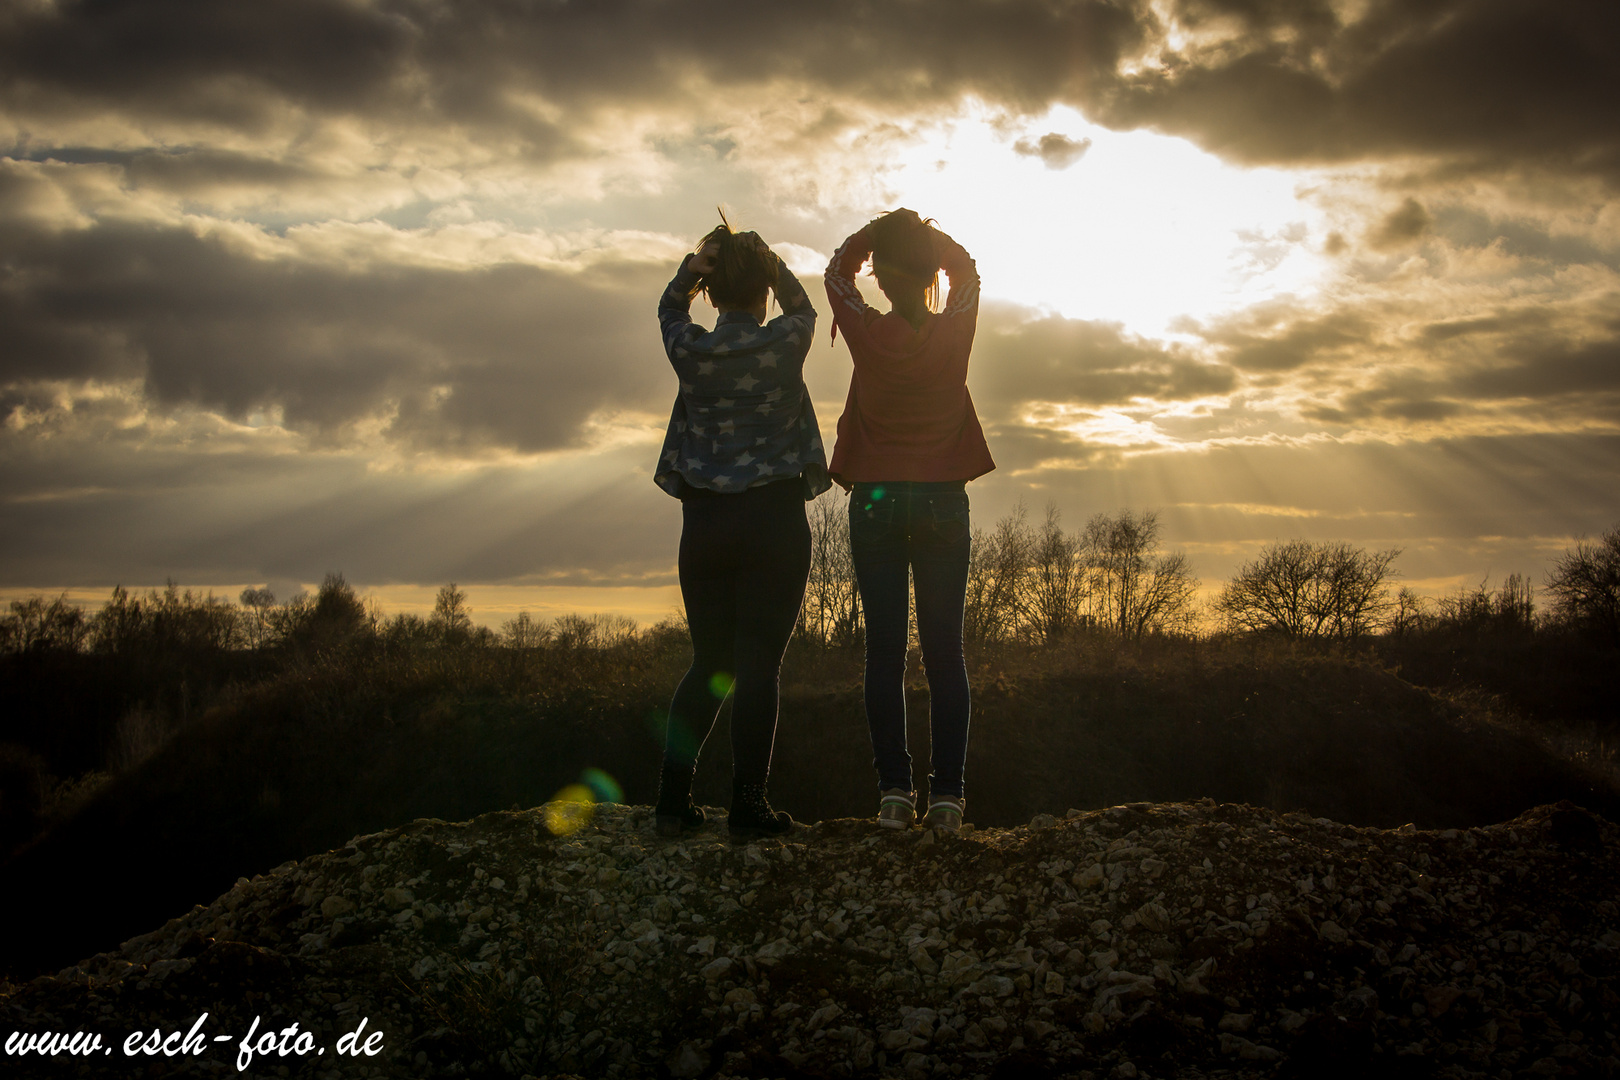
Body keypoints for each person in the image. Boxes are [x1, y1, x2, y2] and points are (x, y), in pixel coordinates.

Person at [653, 215, 831, 841]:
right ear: (763, 291)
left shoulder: (691, 351)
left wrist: (689, 272)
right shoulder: (785, 343)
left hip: (705, 525)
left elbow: (667, 313)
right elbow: (804, 306)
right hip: (774, 522)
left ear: (713, 293)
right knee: (759, 669)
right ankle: (748, 806)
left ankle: (672, 802)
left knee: (709, 663)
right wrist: (771, 263)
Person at [824, 208, 994, 833]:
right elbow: (969, 270)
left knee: (885, 653)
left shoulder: (866, 331)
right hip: (944, 497)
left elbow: (835, 273)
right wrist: (925, 241)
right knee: (946, 653)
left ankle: (894, 796)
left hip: (875, 500)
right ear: (928, 274)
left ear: (883, 280)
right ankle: (947, 799)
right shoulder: (955, 329)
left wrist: (879, 233)